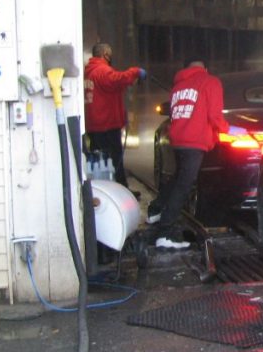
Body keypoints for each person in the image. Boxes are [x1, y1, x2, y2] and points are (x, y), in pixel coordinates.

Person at [146, 58, 228, 250]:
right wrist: (228, 129)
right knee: (184, 184)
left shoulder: (178, 86)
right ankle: (165, 233)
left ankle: (155, 209)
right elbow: (215, 116)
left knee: (178, 177)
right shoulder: (210, 82)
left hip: (179, 139)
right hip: (195, 140)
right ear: (205, 68)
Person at [83, 42, 145, 189]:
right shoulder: (102, 71)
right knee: (113, 160)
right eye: (109, 52)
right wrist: (135, 71)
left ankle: (105, 188)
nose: (111, 56)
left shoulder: (90, 72)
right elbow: (117, 78)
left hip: (94, 125)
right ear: (104, 53)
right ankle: (118, 189)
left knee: (99, 161)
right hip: (106, 125)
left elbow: (111, 87)